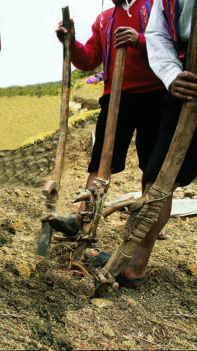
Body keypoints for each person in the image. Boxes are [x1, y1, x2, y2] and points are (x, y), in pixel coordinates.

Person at [86, 0, 197, 287]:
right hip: (184, 79)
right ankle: (133, 264)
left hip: (156, 89)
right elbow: (159, 34)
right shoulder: (152, 4)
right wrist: (173, 76)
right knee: (158, 179)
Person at [49, 0, 167, 241]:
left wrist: (140, 40)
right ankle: (83, 216)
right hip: (115, 97)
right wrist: (70, 42)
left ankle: (150, 220)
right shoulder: (105, 19)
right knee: (102, 159)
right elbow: (89, 60)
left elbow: (173, 45)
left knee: (152, 161)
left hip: (155, 94)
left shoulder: (156, 7)